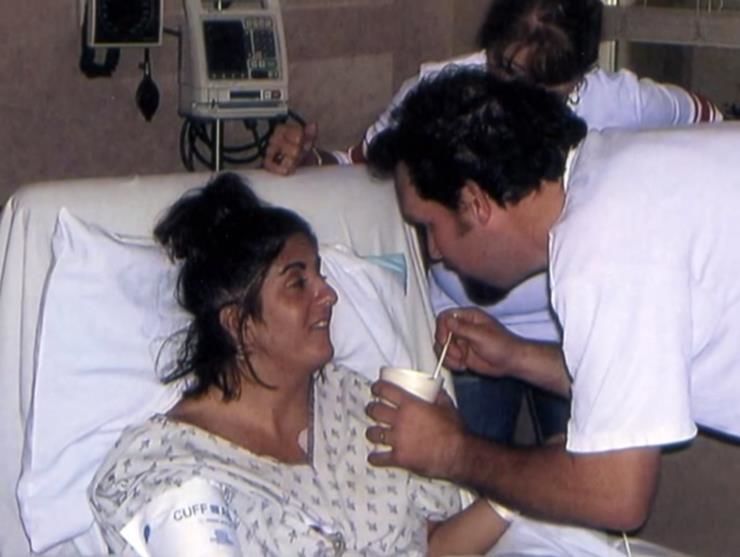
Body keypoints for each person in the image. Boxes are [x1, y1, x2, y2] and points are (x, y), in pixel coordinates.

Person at [263, 0, 724, 445]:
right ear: (490, 50)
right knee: (472, 462)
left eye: (550, 91)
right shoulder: (440, 95)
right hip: (466, 325)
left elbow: (706, 117)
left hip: (567, 333)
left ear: (581, 74)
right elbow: (364, 161)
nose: (524, 107)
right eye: (509, 75)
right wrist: (310, 159)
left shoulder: (617, 121)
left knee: (568, 464)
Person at [362, 65, 740, 533]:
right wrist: (517, 357)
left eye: (429, 226)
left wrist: (452, 451)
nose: (434, 252)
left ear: (475, 203)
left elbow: (615, 497)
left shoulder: (598, 246)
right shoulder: (611, 170)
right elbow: (637, 378)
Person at [87, 172, 511, 556]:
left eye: (320, 275)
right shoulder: (168, 464)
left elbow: (436, 547)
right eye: (297, 283)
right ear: (239, 324)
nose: (328, 294)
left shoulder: (366, 408)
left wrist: (509, 481)